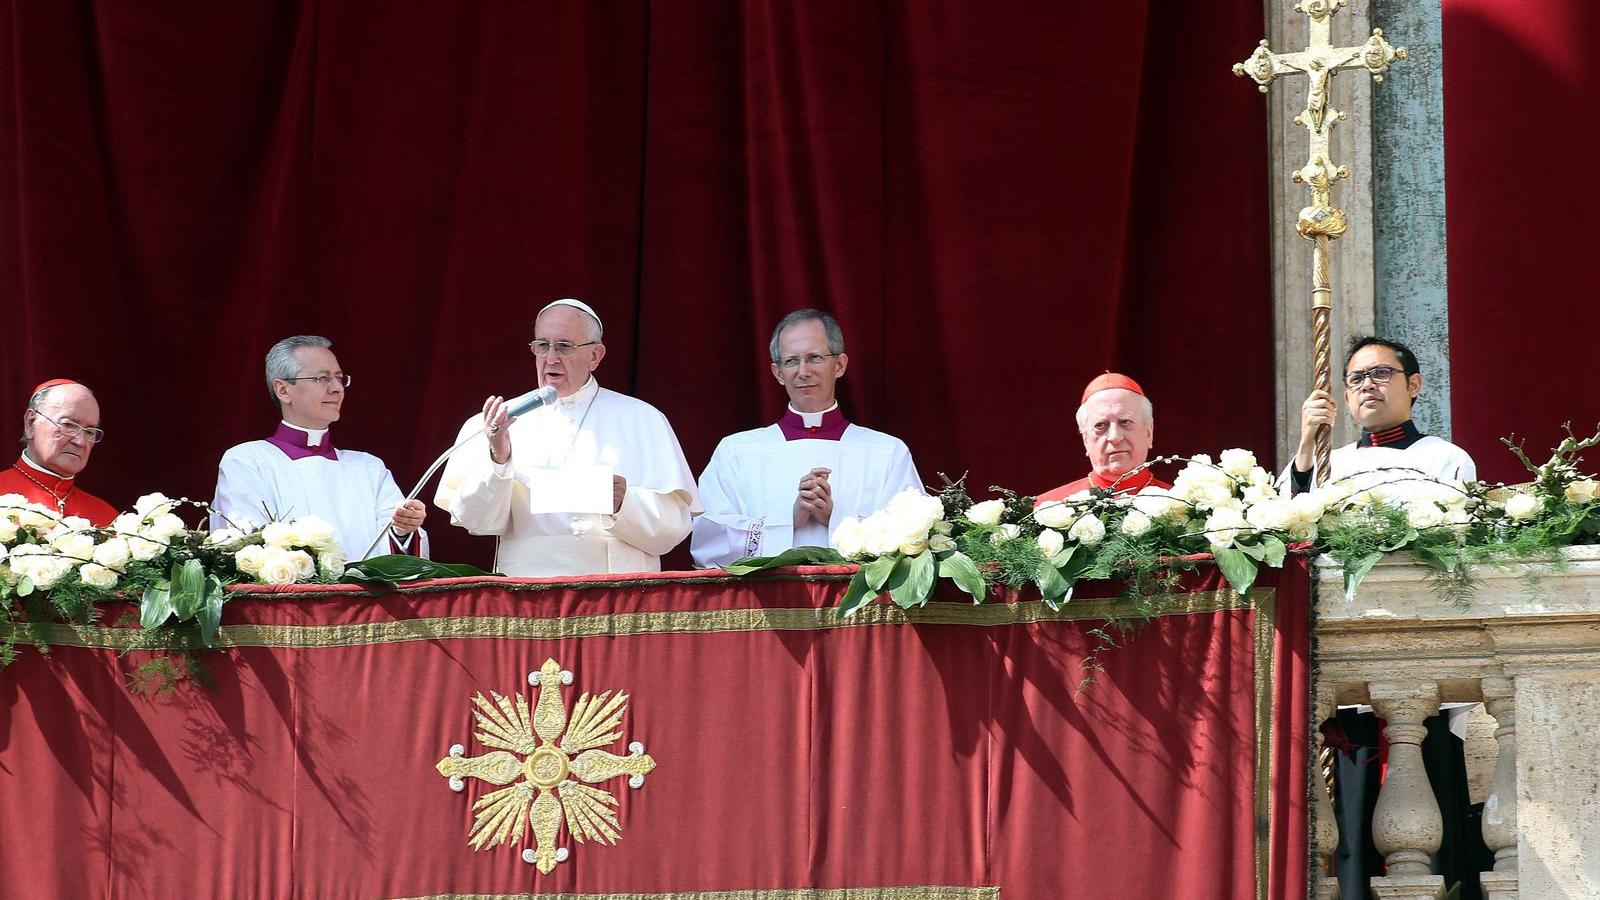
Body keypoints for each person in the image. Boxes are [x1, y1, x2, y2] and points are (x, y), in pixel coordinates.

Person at [435, 299, 699, 576]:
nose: (551, 358)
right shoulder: (496, 423)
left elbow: (675, 528)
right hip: (528, 592)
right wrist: (498, 460)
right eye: (542, 346)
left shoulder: (643, 419)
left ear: (595, 356)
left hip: (619, 591)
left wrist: (624, 502)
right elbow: (476, 522)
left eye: (564, 346)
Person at [691, 309, 924, 567]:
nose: (803, 371)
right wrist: (789, 519)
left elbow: (913, 540)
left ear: (839, 365)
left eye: (814, 358)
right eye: (791, 361)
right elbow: (708, 540)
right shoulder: (736, 452)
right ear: (777, 372)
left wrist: (835, 516)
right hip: (769, 604)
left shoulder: (887, 452)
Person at [210, 335, 426, 561]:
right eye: (322, 378)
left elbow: (398, 555)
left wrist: (403, 529)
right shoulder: (247, 461)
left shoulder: (368, 468)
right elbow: (247, 551)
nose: (337, 389)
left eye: (340, 378)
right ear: (283, 390)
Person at [1286, 336, 1475, 494]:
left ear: (1413, 385)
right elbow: (1289, 521)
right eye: (1357, 378)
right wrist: (1307, 443)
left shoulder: (1446, 458)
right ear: (1347, 397)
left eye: (1381, 373)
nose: (1367, 385)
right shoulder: (1327, 462)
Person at [1036, 372, 1169, 503]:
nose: (1114, 437)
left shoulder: (1183, 510)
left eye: (1125, 422)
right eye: (1100, 425)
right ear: (1086, 440)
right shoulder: (1045, 510)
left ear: (1148, 433)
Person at [0, 379, 117, 525]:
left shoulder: (107, 518)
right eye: (68, 424)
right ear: (30, 423)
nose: (80, 441)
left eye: (90, 432)